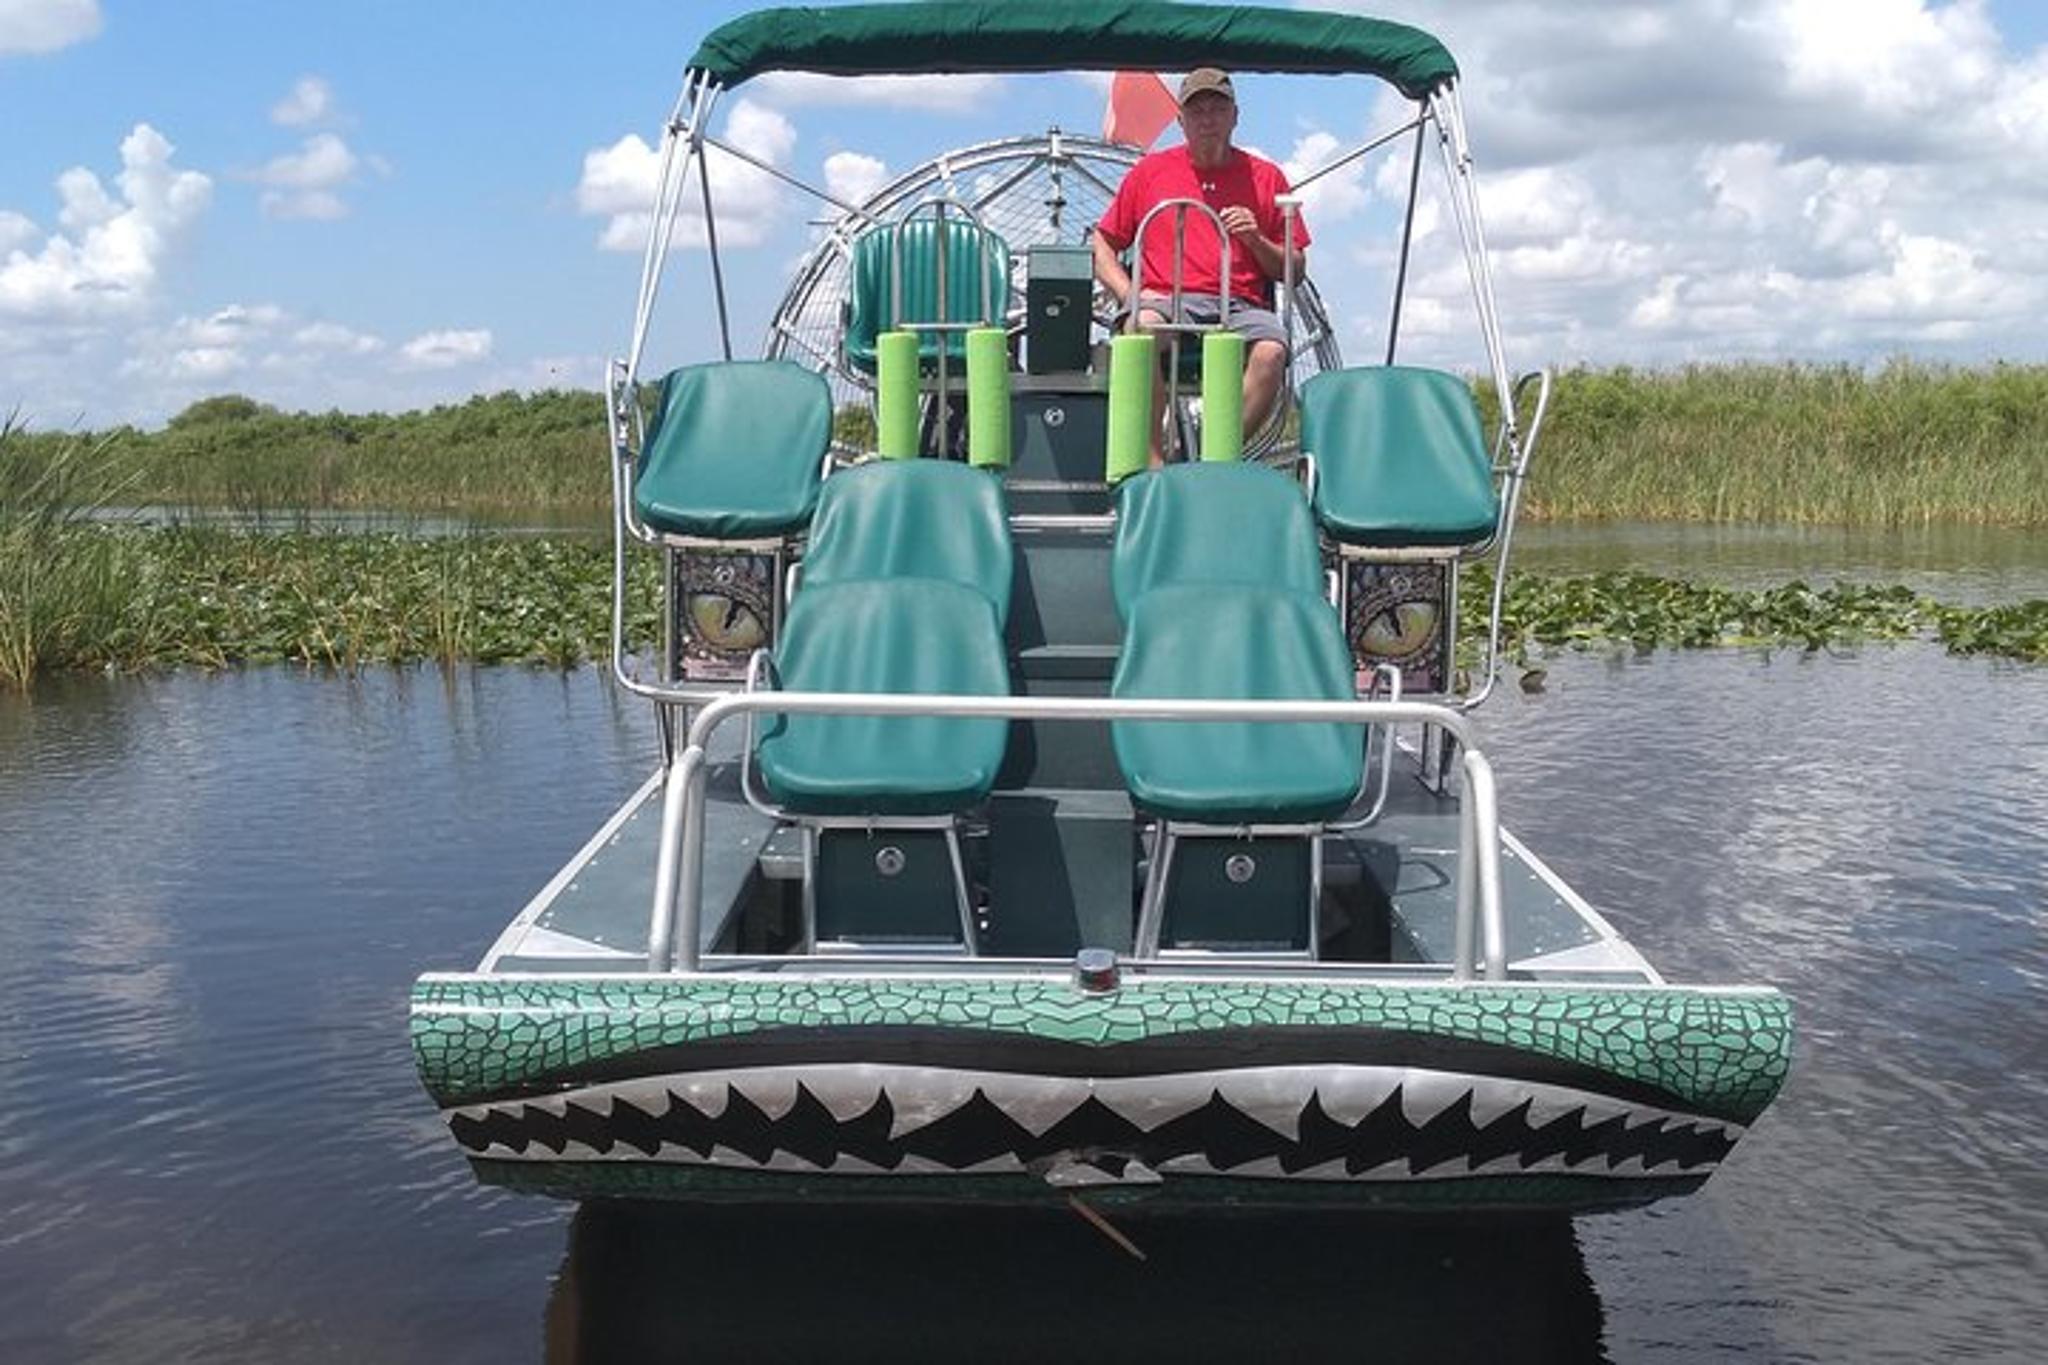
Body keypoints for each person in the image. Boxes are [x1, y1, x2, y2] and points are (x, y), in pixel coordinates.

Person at [1091, 68, 1310, 464]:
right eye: (1198, 111)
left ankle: (1212, 457)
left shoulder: (1267, 177)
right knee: (1141, 328)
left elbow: (1295, 269)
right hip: (1166, 301)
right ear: (1181, 120)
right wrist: (1129, 294)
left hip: (1239, 306)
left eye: (1217, 109)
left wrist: (1256, 239)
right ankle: (1153, 463)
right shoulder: (1149, 173)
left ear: (1235, 116)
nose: (1208, 119)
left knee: (1272, 351)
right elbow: (1102, 242)